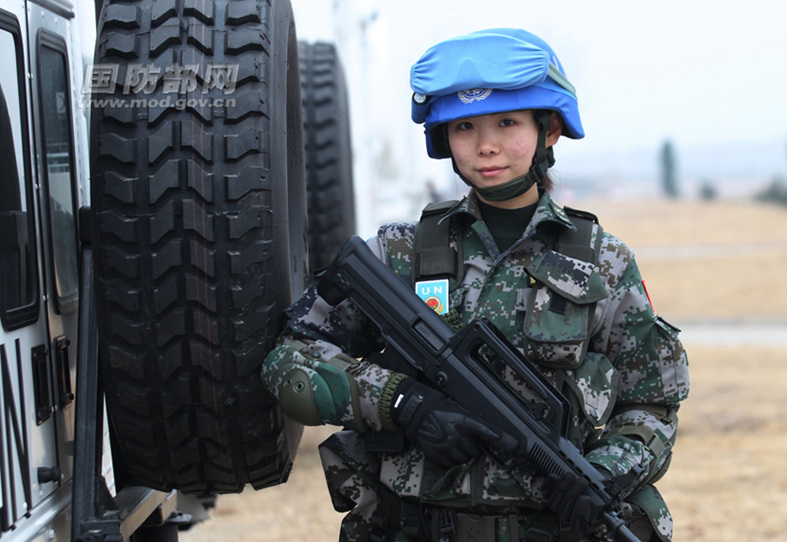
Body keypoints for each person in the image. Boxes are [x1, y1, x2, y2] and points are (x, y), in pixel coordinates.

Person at [262, 28, 690, 542]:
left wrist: (608, 469)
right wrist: (400, 402)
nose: (485, 146)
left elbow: (653, 401)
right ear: (445, 139)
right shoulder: (399, 252)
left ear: (549, 130)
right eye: (464, 127)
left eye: (507, 122)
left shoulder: (604, 260)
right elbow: (289, 359)